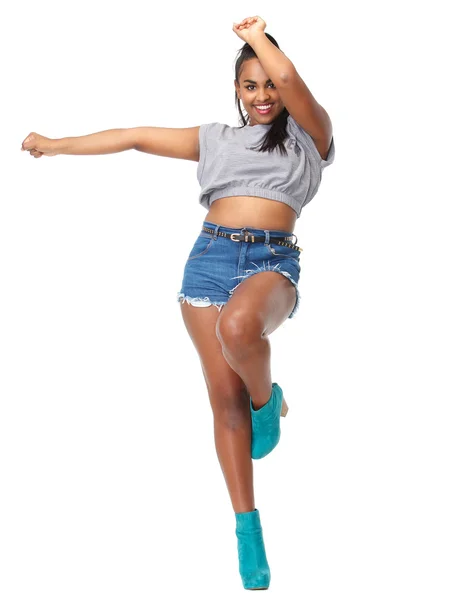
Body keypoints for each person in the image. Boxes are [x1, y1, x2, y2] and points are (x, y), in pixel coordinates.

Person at [21, 15, 335, 591]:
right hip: (208, 262)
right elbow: (137, 137)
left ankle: (269, 405)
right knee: (223, 403)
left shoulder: (311, 138)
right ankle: (248, 531)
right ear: (236, 92)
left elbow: (292, 81)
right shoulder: (216, 139)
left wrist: (256, 38)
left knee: (242, 329)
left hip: (271, 261)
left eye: (268, 84)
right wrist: (57, 145)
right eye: (250, 85)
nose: (263, 94)